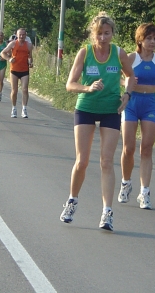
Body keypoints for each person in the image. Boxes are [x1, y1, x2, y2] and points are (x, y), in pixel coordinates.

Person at [59, 12, 135, 231]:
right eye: (99, 34)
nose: (103, 38)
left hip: (111, 109)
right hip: (86, 108)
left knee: (106, 161)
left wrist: (127, 95)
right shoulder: (85, 53)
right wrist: (87, 88)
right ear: (93, 35)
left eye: (107, 33)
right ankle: (72, 201)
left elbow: (130, 76)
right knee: (82, 161)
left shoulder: (119, 53)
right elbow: (70, 84)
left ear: (112, 33)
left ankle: (107, 213)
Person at [118, 23, 155, 210]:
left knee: (147, 148)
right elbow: (117, 74)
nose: (152, 42)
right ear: (140, 39)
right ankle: (125, 183)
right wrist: (126, 81)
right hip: (131, 103)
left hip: (149, 104)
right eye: (149, 38)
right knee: (128, 148)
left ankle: (144, 192)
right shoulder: (131, 58)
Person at [0, 28, 33, 118]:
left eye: (23, 35)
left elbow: (30, 56)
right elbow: (2, 53)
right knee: (14, 91)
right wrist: (9, 59)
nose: (22, 36)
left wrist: (30, 62)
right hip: (14, 70)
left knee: (25, 89)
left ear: (26, 35)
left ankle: (24, 109)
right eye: (20, 35)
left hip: (24, 70)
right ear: (17, 35)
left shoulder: (29, 45)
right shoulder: (13, 44)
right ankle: (14, 108)